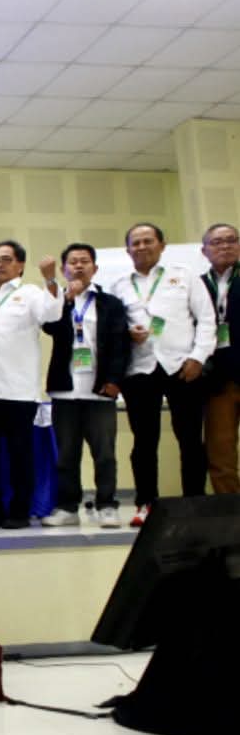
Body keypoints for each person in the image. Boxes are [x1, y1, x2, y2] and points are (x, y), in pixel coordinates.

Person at [110, 222, 214, 526]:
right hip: (140, 370)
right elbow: (112, 328)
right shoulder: (119, 285)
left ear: (162, 245)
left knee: (190, 439)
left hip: (182, 367)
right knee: (144, 441)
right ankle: (146, 504)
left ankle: (194, 502)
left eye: (148, 241)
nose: (142, 247)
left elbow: (207, 319)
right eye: (136, 243)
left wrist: (198, 357)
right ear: (128, 249)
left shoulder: (184, 276)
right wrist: (128, 333)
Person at [0, 240, 63, 529]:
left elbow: (52, 315)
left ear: (20, 265)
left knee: (20, 456)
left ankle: (20, 511)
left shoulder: (30, 294)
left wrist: (50, 280)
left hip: (17, 391)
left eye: (6, 259)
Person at [40, 243, 130, 528]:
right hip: (65, 390)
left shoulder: (110, 303)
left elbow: (120, 344)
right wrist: (65, 299)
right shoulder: (58, 303)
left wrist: (114, 381)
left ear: (95, 268)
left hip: (100, 390)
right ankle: (68, 507)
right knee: (66, 454)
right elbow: (49, 327)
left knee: (104, 454)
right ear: (64, 269)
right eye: (72, 262)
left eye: (84, 261)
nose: (78, 266)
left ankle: (107, 505)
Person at [200, 223, 240, 495]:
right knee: (220, 451)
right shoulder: (198, 284)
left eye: (231, 240)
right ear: (204, 251)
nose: (225, 246)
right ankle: (231, 509)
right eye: (217, 242)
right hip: (217, 379)